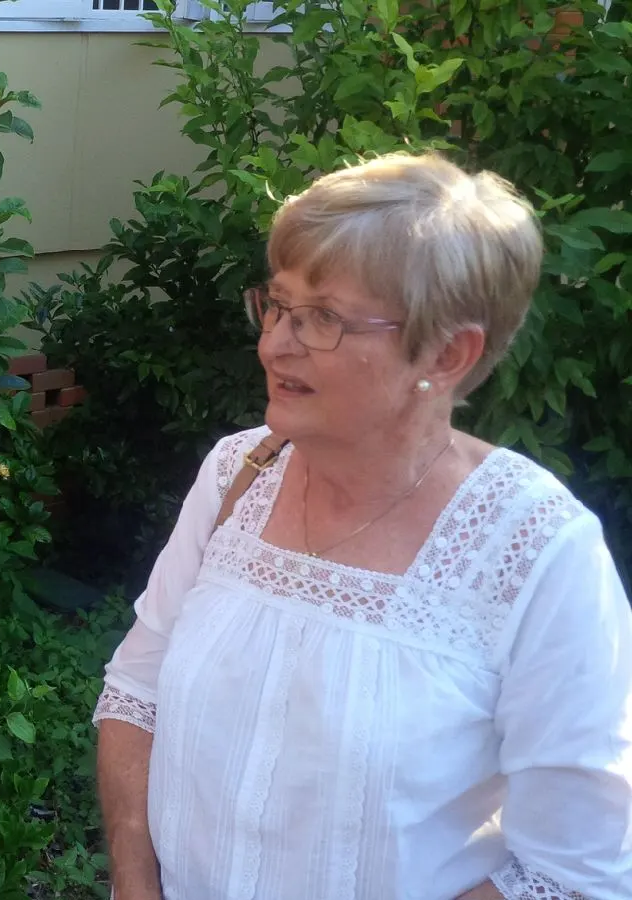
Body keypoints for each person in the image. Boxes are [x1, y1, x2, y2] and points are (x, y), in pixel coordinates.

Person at [92, 152, 632, 900]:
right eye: (278, 305)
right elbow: (136, 692)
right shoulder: (237, 473)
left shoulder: (536, 549)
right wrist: (134, 882)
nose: (274, 344)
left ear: (447, 353)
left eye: (324, 319)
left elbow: (573, 867)